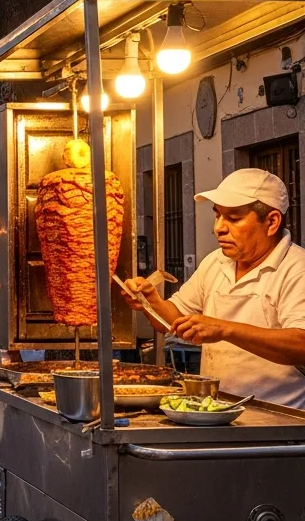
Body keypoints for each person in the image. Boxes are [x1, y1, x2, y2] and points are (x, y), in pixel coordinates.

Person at [123, 168, 305, 407]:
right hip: (218, 408)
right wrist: (150, 302)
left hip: (278, 419)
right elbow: (172, 322)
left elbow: (301, 343)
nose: (218, 227)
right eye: (217, 215)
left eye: (234, 218)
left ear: (271, 222)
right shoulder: (216, 262)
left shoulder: (296, 268)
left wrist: (224, 329)